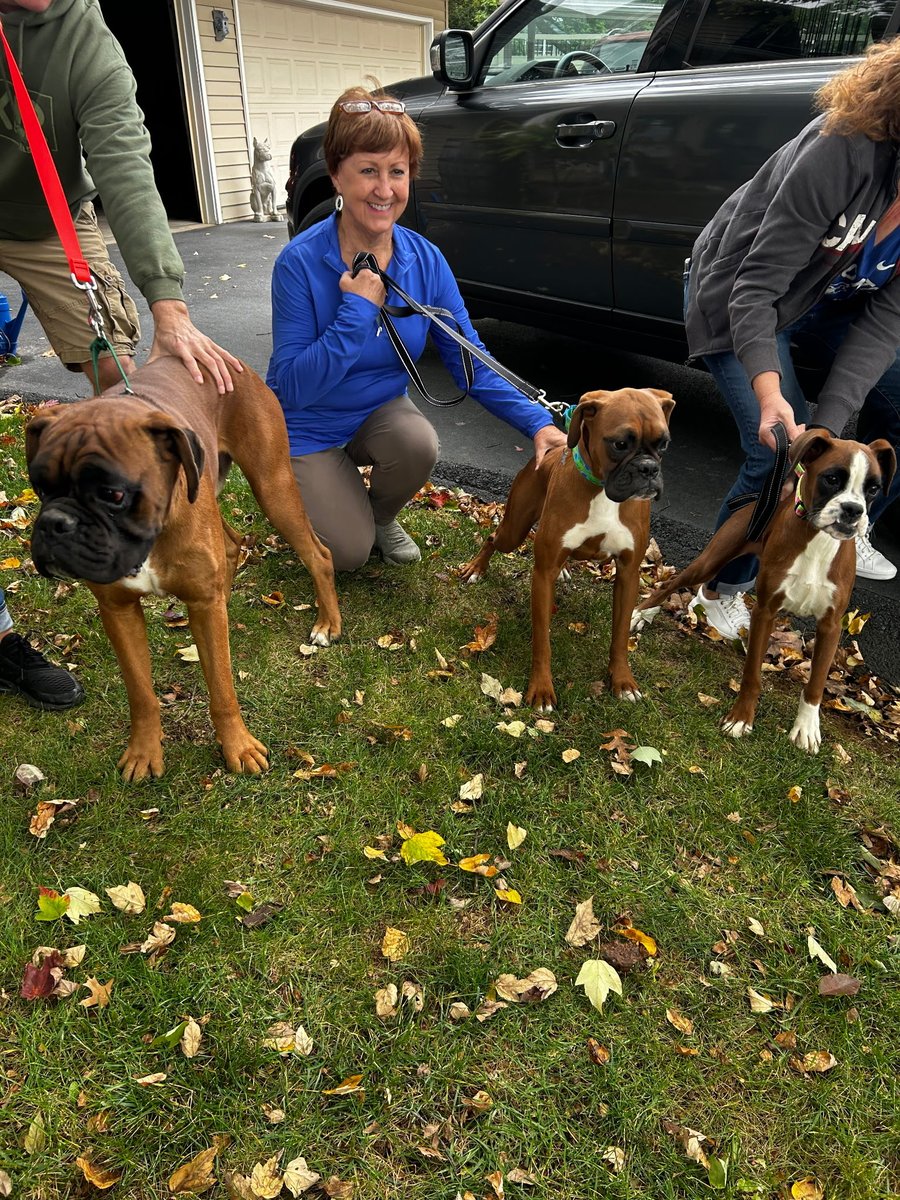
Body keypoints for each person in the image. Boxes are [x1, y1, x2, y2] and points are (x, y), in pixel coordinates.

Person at [0, 0, 243, 712]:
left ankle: (162, 541)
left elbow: (125, 168)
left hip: (53, 218)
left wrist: (168, 303)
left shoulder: (85, 38)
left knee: (123, 386)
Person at [266, 84, 567, 570]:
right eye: (368, 171)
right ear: (336, 176)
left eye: (397, 172)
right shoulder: (298, 264)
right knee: (348, 554)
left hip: (377, 410)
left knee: (418, 443)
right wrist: (358, 311)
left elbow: (469, 359)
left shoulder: (425, 260)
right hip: (308, 426)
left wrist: (539, 423)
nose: (384, 190)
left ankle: (377, 514)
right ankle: (325, 494)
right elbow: (293, 388)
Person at [683, 37, 900, 639]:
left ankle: (840, 525)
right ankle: (723, 586)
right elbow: (755, 287)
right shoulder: (844, 149)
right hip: (736, 288)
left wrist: (827, 433)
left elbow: (887, 321)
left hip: (830, 299)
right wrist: (774, 395)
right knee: (776, 448)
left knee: (880, 410)